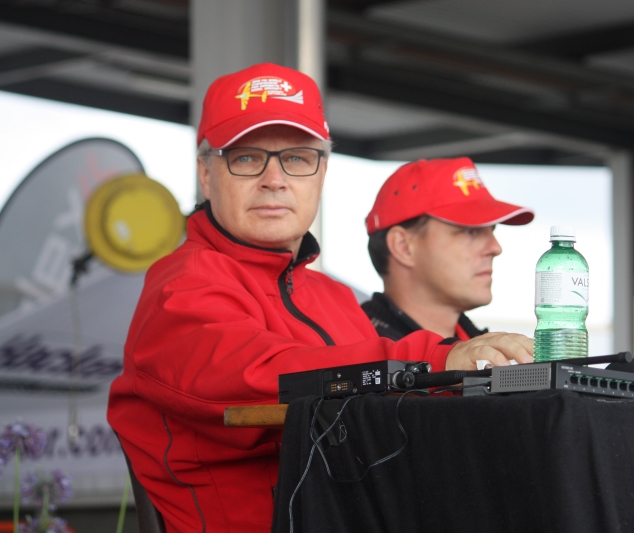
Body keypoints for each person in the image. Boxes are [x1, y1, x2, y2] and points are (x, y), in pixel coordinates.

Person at [106, 63, 533, 532]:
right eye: (246, 158)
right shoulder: (180, 286)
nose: (275, 179)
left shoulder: (332, 296)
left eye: (297, 158)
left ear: (321, 173)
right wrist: (435, 360)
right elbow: (261, 376)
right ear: (206, 174)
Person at [362, 158, 534, 340]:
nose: (495, 248)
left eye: (492, 230)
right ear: (403, 247)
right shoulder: (357, 349)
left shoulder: (483, 347)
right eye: (470, 231)